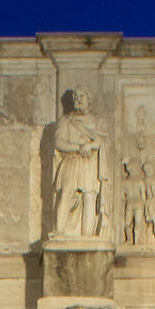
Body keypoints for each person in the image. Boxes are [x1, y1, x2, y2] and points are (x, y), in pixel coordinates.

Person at [50, 90, 106, 239]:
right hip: (71, 160)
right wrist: (78, 148)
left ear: (89, 99)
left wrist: (91, 145)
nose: (78, 99)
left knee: (89, 197)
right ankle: (59, 232)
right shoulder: (66, 120)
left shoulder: (98, 121)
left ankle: (87, 237)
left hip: (90, 163)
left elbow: (103, 140)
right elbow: (58, 142)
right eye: (76, 96)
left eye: (82, 96)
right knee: (66, 194)